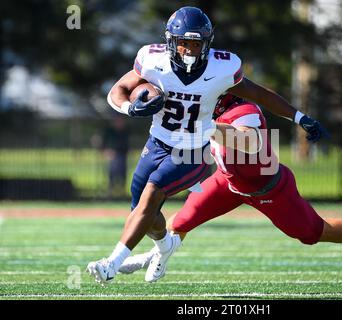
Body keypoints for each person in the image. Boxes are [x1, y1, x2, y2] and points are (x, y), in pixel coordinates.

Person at [86, 6, 328, 285]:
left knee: (151, 196)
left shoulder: (222, 68)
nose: (188, 51)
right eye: (183, 43)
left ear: (206, 44)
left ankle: (111, 263)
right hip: (157, 143)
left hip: (192, 151)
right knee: (142, 210)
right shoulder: (152, 60)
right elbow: (118, 90)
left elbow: (259, 94)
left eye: (195, 44)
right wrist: (129, 109)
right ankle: (166, 248)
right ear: (171, 42)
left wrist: (299, 116)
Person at [118, 94, 342, 282]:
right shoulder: (204, 115)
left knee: (314, 232)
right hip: (227, 183)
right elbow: (202, 153)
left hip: (268, 189)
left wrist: (205, 126)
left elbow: (248, 140)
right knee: (180, 222)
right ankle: (155, 256)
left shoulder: (245, 111)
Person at [101, 116, 129, 198]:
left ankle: (121, 191)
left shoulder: (125, 131)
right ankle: (110, 190)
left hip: (122, 155)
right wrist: (106, 151)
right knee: (112, 173)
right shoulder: (109, 131)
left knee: (122, 172)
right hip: (112, 155)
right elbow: (104, 143)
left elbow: (126, 145)